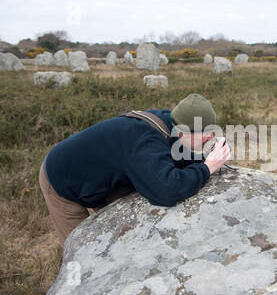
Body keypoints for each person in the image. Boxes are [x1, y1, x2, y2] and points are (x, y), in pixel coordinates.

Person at [38, 93, 231, 246]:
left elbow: (176, 153)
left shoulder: (169, 123)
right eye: (205, 134)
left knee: (119, 242)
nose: (210, 138)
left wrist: (206, 159)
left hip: (105, 174)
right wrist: (207, 168)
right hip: (63, 180)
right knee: (82, 251)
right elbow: (166, 190)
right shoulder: (145, 141)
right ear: (183, 130)